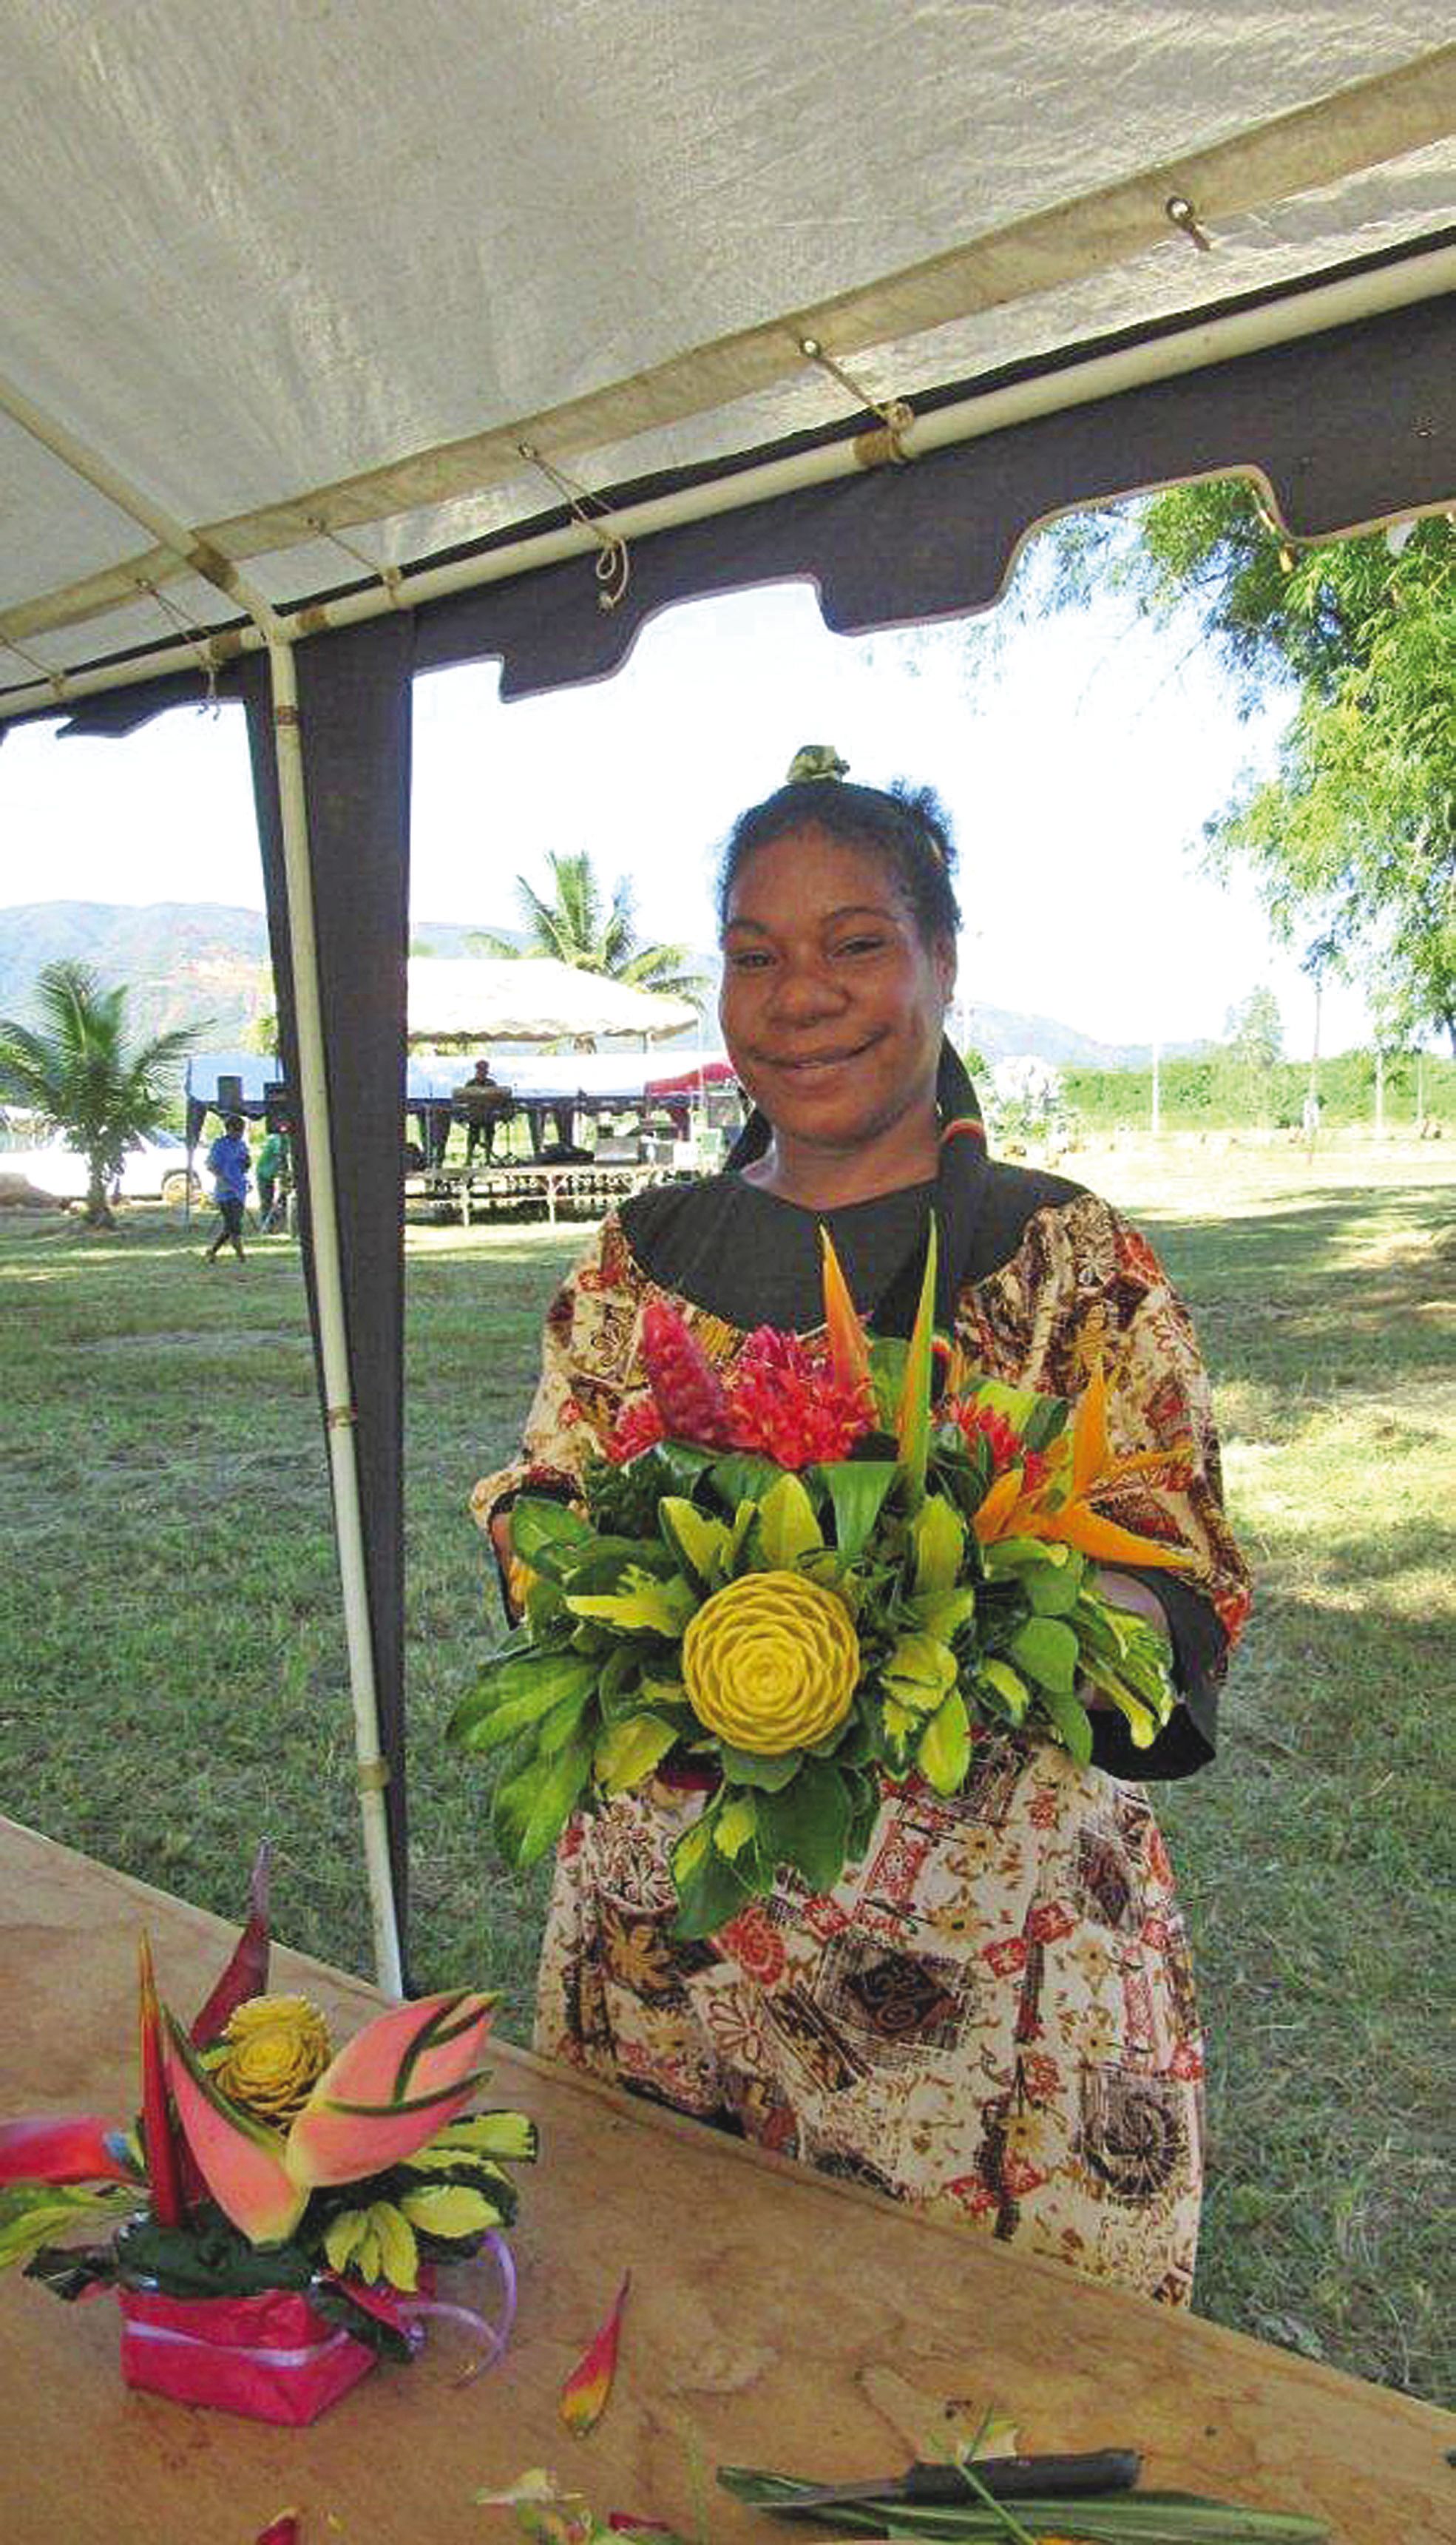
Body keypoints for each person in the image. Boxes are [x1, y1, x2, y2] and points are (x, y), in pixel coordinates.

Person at [473, 753, 1250, 2307]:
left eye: (855, 942)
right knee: (676, 2348)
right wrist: (616, 1583)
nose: (798, 993)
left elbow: (1175, 1574)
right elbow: (545, 1512)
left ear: (942, 959)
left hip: (980, 1964)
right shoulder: (643, 1257)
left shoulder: (1062, 1255)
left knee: (973, 2404)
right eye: (754, 953)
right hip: (666, 1938)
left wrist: (946, 1601)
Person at [203, 1112, 251, 1262]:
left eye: (241, 1131)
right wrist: (223, 1179)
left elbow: (244, 1166)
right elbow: (211, 1165)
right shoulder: (220, 1145)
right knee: (234, 1223)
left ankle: (212, 1251)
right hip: (225, 1191)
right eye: (235, 1130)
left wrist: (247, 1164)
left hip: (240, 1189)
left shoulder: (242, 1145)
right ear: (228, 1129)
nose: (238, 1134)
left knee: (232, 1224)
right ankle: (240, 1254)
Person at [453, 1057, 513, 1166]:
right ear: (477, 1070)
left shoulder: (492, 1083)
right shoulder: (470, 1083)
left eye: (484, 1069)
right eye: (480, 1069)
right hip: (475, 1115)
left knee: (489, 1134)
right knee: (472, 1135)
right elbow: (463, 1099)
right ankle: (469, 1158)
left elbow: (499, 1099)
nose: (483, 1072)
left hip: (489, 1116)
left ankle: (488, 1158)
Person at [255, 1122, 291, 1232]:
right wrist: (285, 1174)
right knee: (267, 1200)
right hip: (264, 1173)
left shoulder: (286, 1138)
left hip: (272, 1172)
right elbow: (280, 1157)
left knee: (282, 1200)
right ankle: (266, 1227)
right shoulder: (277, 1139)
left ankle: (279, 1225)